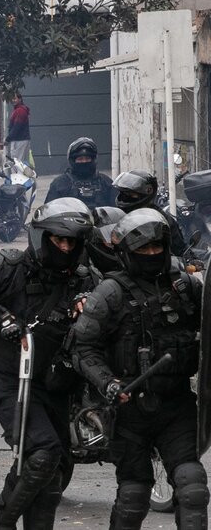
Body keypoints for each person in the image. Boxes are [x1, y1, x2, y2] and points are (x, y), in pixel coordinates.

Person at [0, 198, 95, 530]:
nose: (64, 247)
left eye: (71, 242)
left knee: (55, 468)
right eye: (59, 240)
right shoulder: (8, 265)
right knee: (42, 452)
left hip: (57, 383)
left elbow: (108, 316)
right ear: (42, 237)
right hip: (9, 377)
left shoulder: (85, 278)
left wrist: (88, 310)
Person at [72, 208, 208, 529]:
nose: (150, 254)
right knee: (134, 493)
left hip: (176, 406)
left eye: (156, 247)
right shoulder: (110, 293)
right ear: (126, 253)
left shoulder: (186, 288)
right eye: (142, 249)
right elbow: (83, 348)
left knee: (192, 485)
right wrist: (108, 384)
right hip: (128, 410)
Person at [112, 169, 187, 256]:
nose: (125, 197)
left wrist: (190, 260)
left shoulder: (162, 219)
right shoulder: (117, 216)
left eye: (131, 194)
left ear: (147, 192)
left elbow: (180, 249)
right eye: (124, 193)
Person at [45, 137, 117, 209]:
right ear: (72, 160)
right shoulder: (59, 184)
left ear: (94, 160)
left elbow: (118, 212)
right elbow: (49, 212)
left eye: (87, 158)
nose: (84, 162)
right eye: (80, 159)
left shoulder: (106, 183)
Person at [86, 206, 126, 274]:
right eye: (110, 234)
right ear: (98, 236)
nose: (115, 240)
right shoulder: (87, 258)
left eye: (119, 234)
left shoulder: (128, 254)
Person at [5, 93, 31, 163]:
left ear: (20, 99)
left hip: (19, 140)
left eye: (15, 98)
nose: (13, 100)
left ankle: (17, 174)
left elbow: (17, 126)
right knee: (20, 162)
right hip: (21, 139)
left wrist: (8, 139)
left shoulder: (20, 110)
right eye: (12, 99)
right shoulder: (19, 110)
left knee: (17, 162)